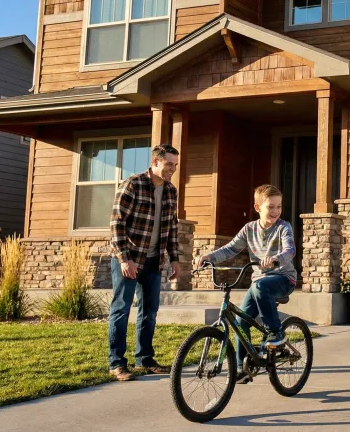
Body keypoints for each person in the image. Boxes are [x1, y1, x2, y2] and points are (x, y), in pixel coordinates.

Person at [194, 184, 296, 383]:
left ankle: (275, 332)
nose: (276, 211)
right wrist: (209, 257)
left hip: (283, 278)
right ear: (258, 208)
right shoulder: (249, 229)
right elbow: (231, 249)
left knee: (260, 287)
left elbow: (290, 250)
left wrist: (275, 259)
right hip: (260, 281)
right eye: (270, 207)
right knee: (241, 321)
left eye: (278, 206)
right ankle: (242, 368)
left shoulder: (284, 227)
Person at [108, 144, 181, 381]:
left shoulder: (171, 190)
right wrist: (124, 259)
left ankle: (145, 359)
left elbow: (172, 227)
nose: (173, 169)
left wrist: (175, 259)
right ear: (156, 162)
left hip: (153, 261)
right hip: (129, 259)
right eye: (169, 164)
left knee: (149, 311)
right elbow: (117, 224)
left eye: (175, 165)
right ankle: (117, 363)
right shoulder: (133, 184)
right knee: (121, 309)